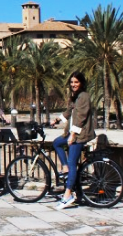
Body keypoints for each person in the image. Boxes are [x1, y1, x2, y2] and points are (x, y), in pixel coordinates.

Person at [51, 71, 96, 209]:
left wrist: (73, 135)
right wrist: (57, 119)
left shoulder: (84, 96)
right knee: (57, 143)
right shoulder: (75, 96)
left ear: (81, 83)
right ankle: (65, 168)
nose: (73, 84)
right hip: (72, 133)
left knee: (72, 165)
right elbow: (69, 111)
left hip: (79, 135)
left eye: (76, 82)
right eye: (71, 82)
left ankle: (68, 195)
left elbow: (81, 117)